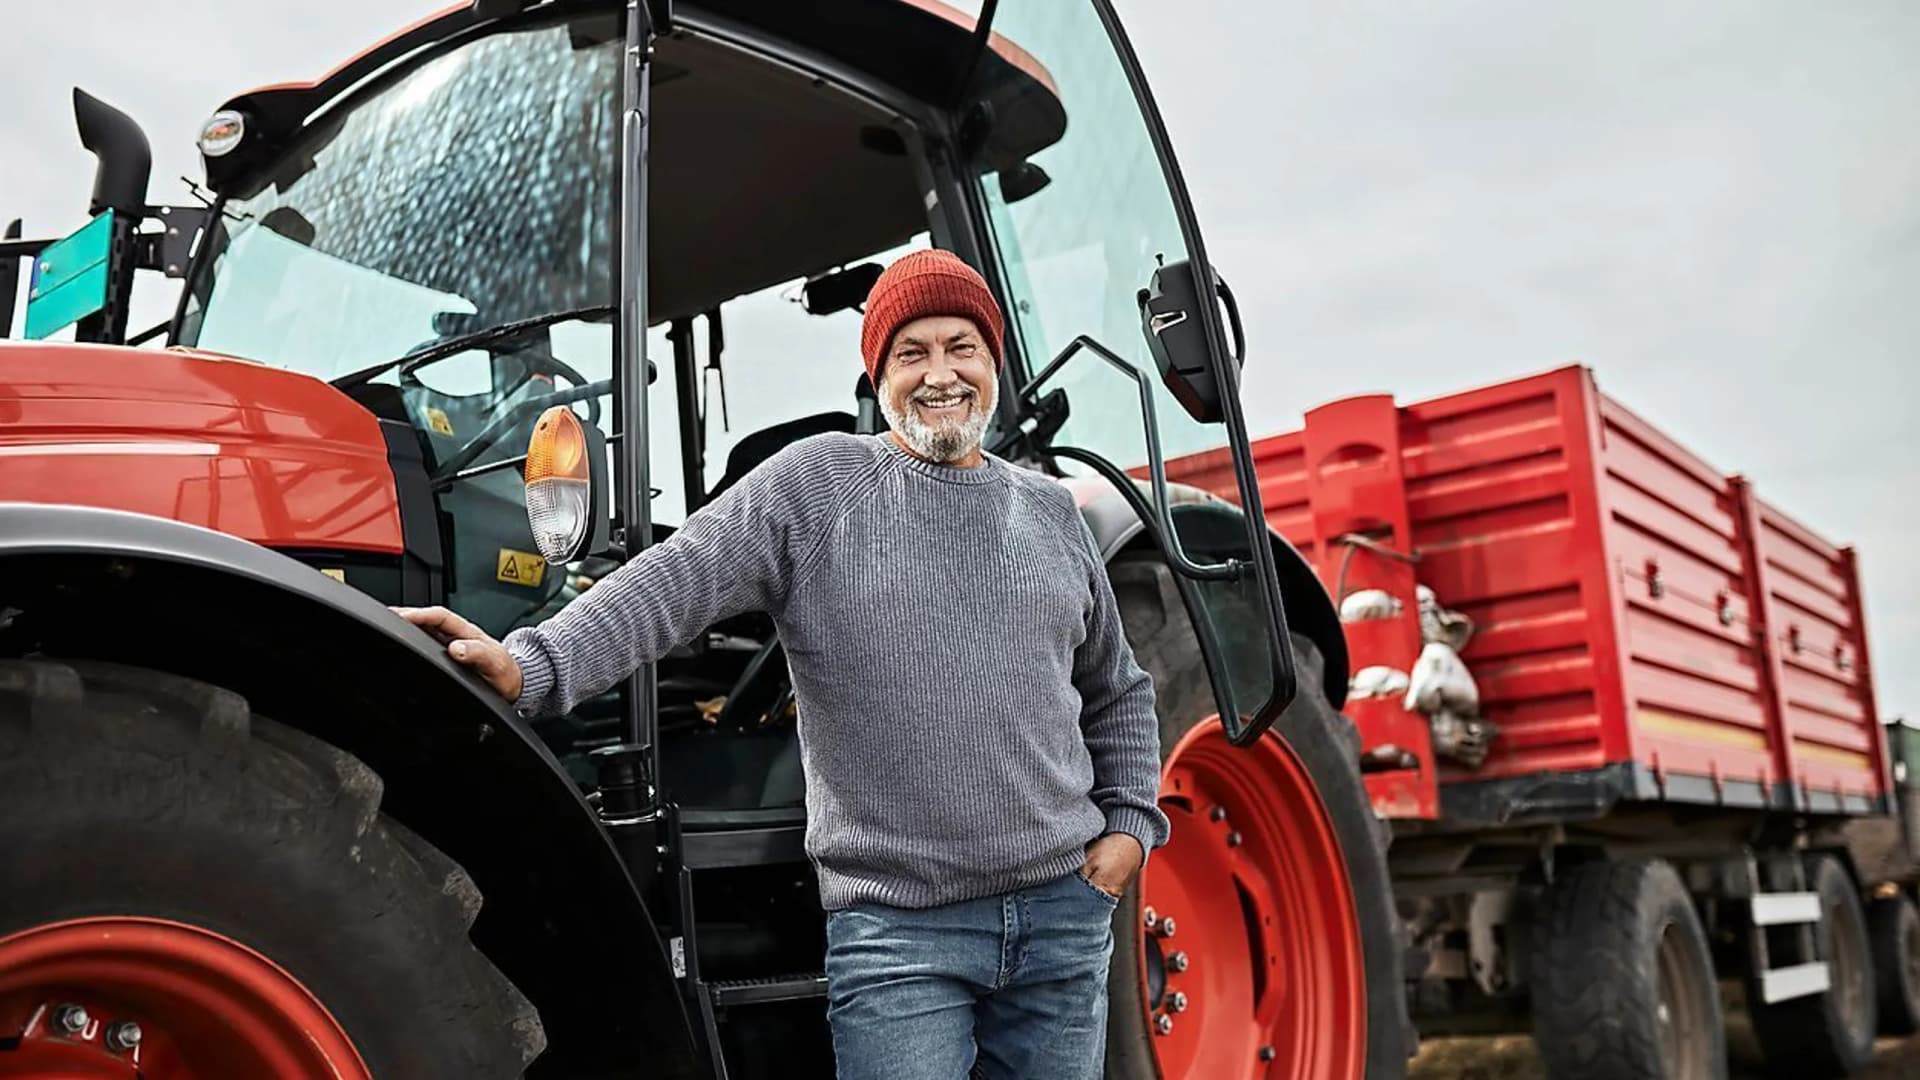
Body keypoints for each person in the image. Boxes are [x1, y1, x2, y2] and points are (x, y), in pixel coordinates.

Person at [396, 249, 1170, 1079]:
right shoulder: (816, 488)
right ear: (878, 375)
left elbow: (1117, 693)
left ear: (993, 363)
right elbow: (674, 578)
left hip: (1061, 916)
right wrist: (532, 663)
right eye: (912, 353)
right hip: (902, 934)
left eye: (961, 347)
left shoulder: (1052, 514)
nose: (940, 374)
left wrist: (1128, 829)